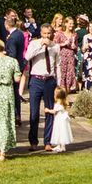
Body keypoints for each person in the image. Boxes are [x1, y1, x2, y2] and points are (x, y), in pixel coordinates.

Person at [22, 20, 57, 148]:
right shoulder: (34, 43)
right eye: (44, 34)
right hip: (36, 79)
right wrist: (40, 46)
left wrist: (58, 82)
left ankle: (47, 141)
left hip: (49, 80)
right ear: (41, 33)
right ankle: (33, 141)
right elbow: (27, 57)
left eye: (48, 33)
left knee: (50, 111)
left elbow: (57, 64)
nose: (46, 36)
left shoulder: (55, 46)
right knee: (34, 112)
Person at [54, 15, 78, 93]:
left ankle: (67, 95)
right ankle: (60, 95)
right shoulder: (60, 33)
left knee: (70, 75)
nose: (71, 25)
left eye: (72, 24)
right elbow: (54, 45)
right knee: (62, 75)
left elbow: (76, 47)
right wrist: (63, 44)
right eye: (70, 23)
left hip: (71, 57)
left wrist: (74, 47)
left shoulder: (74, 34)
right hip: (62, 57)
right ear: (66, 24)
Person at [47, 87, 74, 153]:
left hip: (60, 121)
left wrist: (47, 110)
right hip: (60, 120)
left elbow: (54, 111)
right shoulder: (62, 103)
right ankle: (59, 145)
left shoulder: (58, 104)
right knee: (59, 132)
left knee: (61, 133)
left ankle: (62, 146)